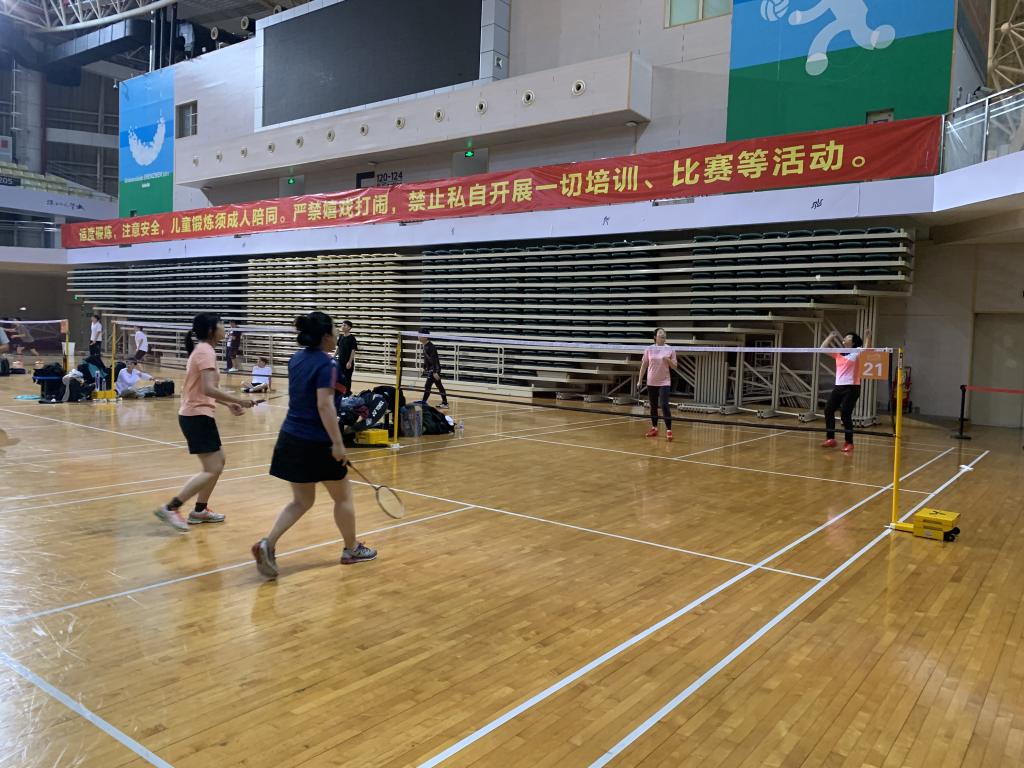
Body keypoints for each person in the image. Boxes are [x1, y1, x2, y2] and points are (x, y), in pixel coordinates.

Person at [252, 311, 376, 578]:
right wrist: (337, 443)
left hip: (290, 437)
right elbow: (324, 405)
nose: (337, 334)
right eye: (334, 329)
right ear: (325, 336)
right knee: (343, 497)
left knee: (301, 501)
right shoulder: (328, 365)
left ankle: (267, 544)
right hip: (317, 442)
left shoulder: (296, 359)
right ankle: (351, 549)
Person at [154, 313, 256, 531]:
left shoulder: (204, 350)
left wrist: (228, 404)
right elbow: (208, 388)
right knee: (212, 467)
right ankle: (171, 507)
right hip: (196, 416)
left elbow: (203, 389)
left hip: (198, 414)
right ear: (211, 330)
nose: (224, 327)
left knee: (218, 462)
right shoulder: (205, 351)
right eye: (220, 324)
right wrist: (239, 400)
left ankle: (200, 510)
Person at [820, 329, 871, 454]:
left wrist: (867, 337)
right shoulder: (838, 352)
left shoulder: (856, 352)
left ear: (853, 342)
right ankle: (831, 439)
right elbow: (822, 348)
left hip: (851, 388)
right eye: (845, 336)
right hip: (838, 387)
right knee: (828, 410)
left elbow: (866, 350)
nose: (845, 337)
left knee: (845, 414)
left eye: (848, 337)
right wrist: (830, 336)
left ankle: (849, 442)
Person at [638, 327, 682, 441]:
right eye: (660, 333)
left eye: (664, 333)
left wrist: (668, 360)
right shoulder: (649, 349)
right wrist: (639, 380)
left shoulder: (670, 349)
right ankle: (654, 428)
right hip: (651, 381)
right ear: (655, 337)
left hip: (664, 382)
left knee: (664, 405)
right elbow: (644, 365)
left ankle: (669, 430)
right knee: (653, 406)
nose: (663, 334)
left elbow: (675, 366)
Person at [418, 329, 449, 409]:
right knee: (439, 386)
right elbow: (426, 358)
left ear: (425, 337)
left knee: (427, 386)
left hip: (434, 369)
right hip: (432, 369)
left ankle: (423, 403)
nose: (418, 337)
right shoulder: (425, 345)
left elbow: (434, 359)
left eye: (420, 335)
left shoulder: (430, 347)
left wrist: (435, 372)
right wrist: (424, 367)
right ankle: (445, 403)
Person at [335, 320, 358, 394]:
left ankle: (347, 393)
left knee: (347, 378)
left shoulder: (352, 338)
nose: (342, 326)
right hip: (340, 361)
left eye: (344, 325)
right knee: (340, 378)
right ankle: (341, 393)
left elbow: (353, 350)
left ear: (349, 327)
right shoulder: (341, 337)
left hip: (347, 362)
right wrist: (334, 356)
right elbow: (338, 348)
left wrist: (350, 362)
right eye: (342, 325)